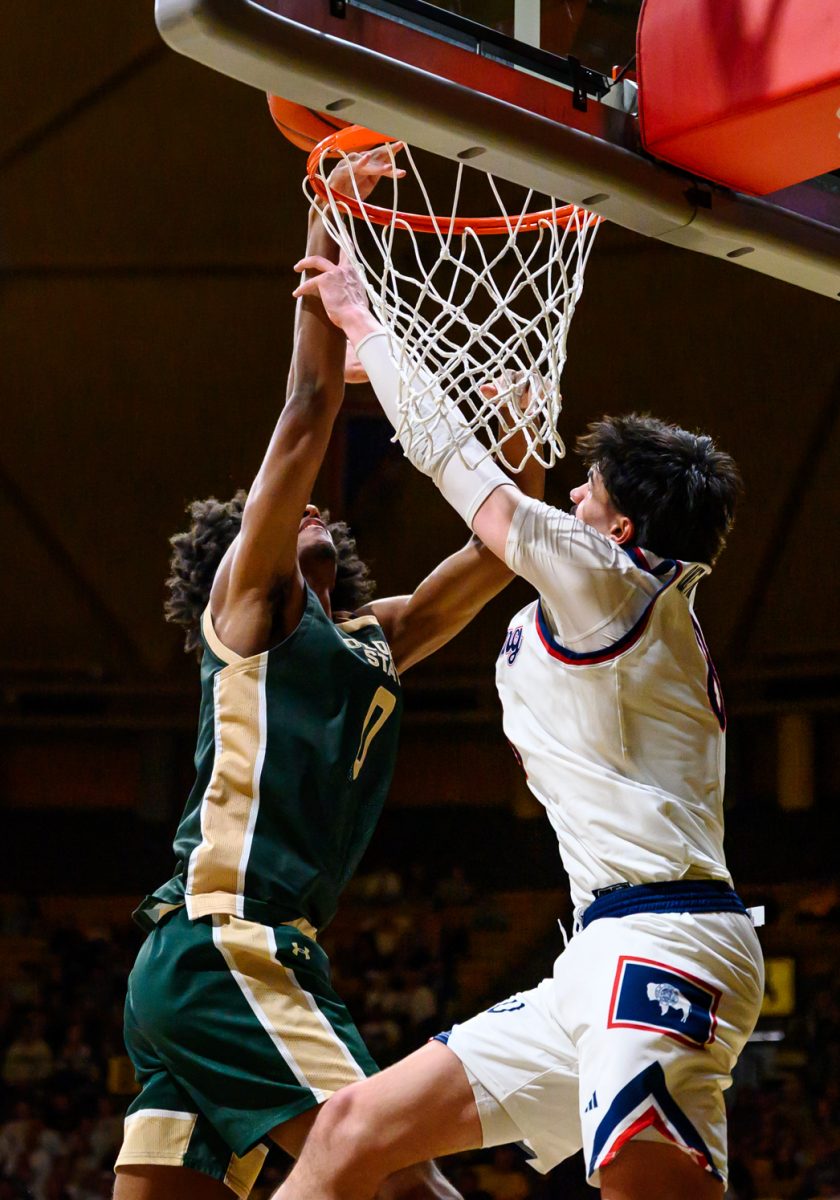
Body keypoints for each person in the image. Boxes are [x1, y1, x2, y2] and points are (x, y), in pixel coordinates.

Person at [272, 253, 765, 1200]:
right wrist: (508, 425)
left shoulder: (614, 582)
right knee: (350, 1133)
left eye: (587, 493)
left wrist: (365, 325)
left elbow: (472, 487)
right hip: (595, 949)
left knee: (642, 1186)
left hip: (663, 941)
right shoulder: (599, 597)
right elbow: (504, 534)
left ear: (617, 533)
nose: (571, 500)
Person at [113, 151, 543, 1200]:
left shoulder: (372, 636)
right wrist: (329, 213)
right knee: (406, 1185)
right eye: (272, 506)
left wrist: (523, 433)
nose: (300, 504)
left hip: (222, 961)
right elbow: (308, 407)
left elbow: (496, 559)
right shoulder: (249, 608)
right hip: (229, 943)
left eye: (310, 507)